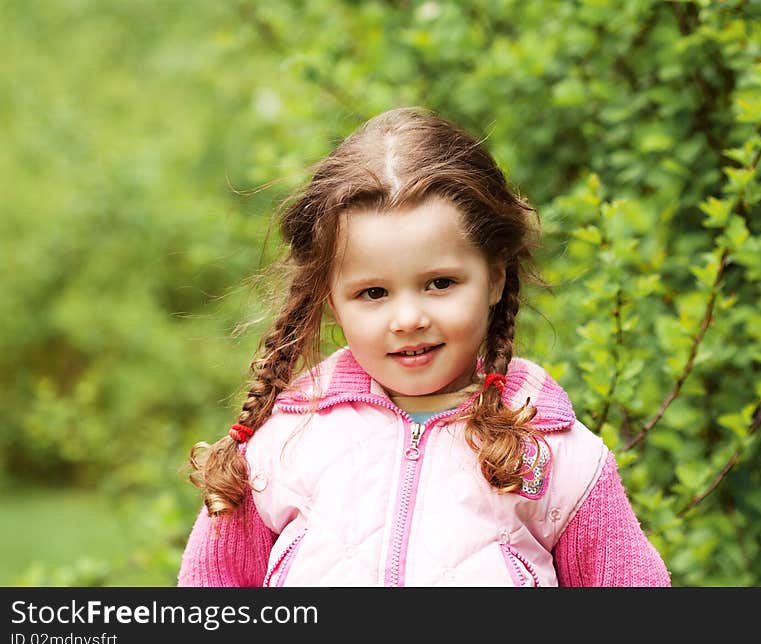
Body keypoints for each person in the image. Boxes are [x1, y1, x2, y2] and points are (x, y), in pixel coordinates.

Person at [178, 106, 671, 587]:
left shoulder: (555, 453)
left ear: (494, 278)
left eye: (440, 283)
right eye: (373, 293)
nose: (409, 318)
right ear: (332, 298)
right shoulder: (282, 446)